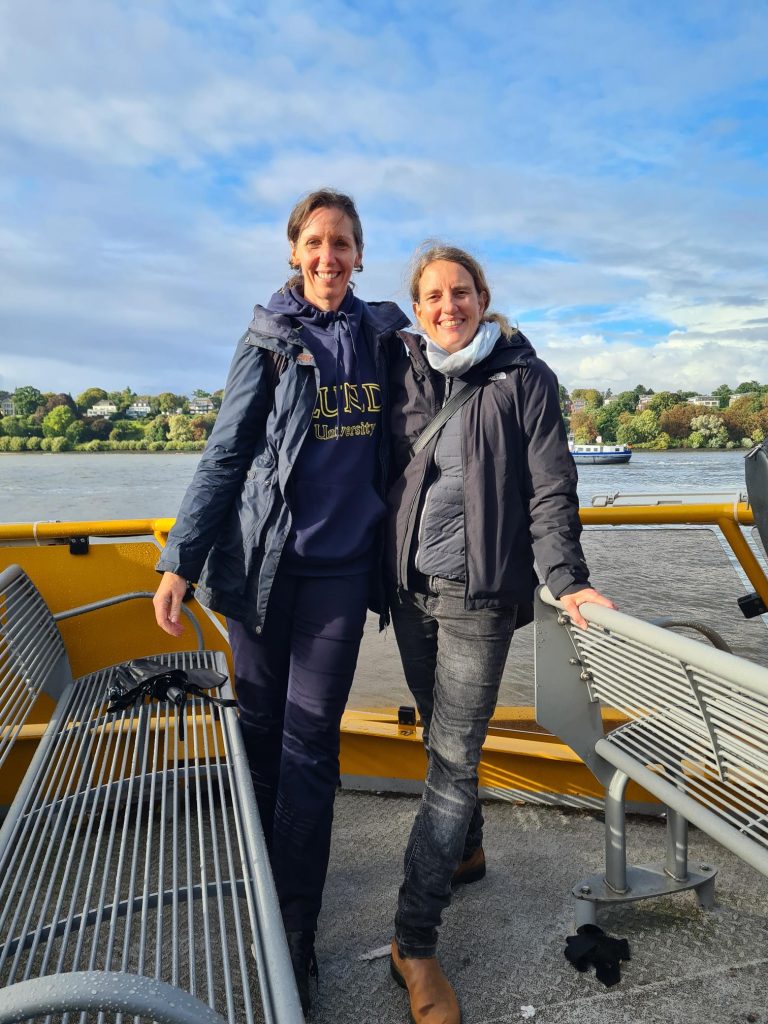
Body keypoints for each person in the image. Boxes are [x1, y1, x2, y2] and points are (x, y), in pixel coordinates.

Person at [152, 188, 409, 1017]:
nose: (329, 257)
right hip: (258, 574)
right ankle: (261, 891)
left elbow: (454, 368)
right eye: (315, 243)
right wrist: (178, 562)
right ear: (294, 253)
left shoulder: (383, 336)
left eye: (343, 244)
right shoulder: (267, 340)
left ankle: (295, 933)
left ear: (360, 255)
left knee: (309, 751)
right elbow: (226, 454)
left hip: (338, 576)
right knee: (260, 739)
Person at [385, 243, 614, 1024]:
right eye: (433, 296)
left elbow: (551, 489)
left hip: (480, 598)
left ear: (484, 296)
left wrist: (569, 578)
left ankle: (412, 944)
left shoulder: (526, 380)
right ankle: (469, 852)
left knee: (453, 761)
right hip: (409, 594)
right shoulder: (407, 373)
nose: (447, 306)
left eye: (461, 291)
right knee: (440, 742)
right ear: (417, 309)